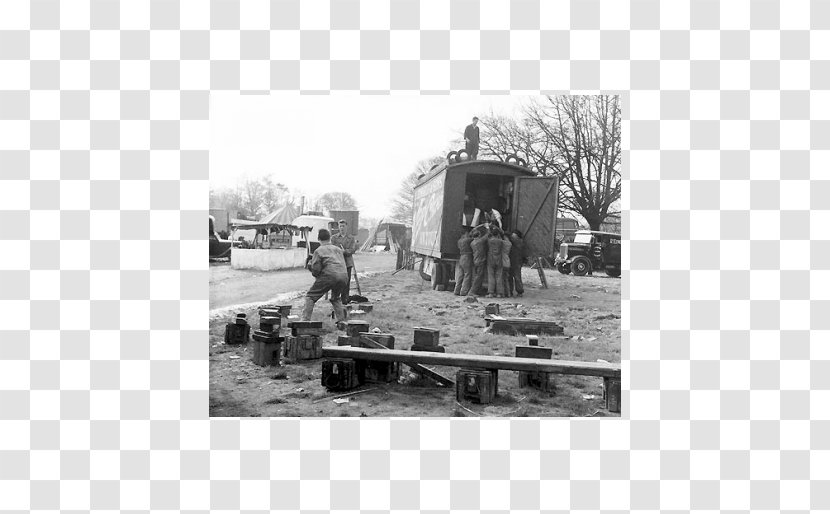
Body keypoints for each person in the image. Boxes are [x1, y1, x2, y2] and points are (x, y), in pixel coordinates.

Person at [302, 228, 348, 324]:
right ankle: (342, 322)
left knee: (310, 297)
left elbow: (316, 270)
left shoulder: (319, 250)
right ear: (329, 238)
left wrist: (310, 266)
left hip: (329, 276)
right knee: (336, 298)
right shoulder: (338, 249)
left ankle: (304, 322)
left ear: (319, 239)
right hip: (344, 276)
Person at [331, 219, 357, 304]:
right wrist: (338, 251)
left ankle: (345, 299)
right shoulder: (334, 238)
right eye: (340, 226)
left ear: (346, 227)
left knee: (346, 282)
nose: (342, 228)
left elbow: (353, 249)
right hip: (337, 263)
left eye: (343, 226)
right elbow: (331, 249)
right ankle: (335, 299)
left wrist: (344, 251)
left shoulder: (351, 238)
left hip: (347, 263)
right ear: (338, 227)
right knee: (336, 281)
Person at [468, 225, 489, 297]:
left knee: (478, 276)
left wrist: (475, 228)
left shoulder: (472, 243)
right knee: (478, 277)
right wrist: (487, 227)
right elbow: (487, 235)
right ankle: (472, 291)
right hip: (480, 261)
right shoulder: (480, 241)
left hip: (476, 260)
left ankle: (477, 290)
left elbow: (470, 234)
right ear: (479, 235)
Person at [453, 227, 474, 295]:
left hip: (461, 257)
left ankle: (456, 290)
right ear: (466, 233)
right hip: (467, 257)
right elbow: (474, 238)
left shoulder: (459, 241)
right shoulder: (468, 240)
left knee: (460, 275)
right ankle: (463, 291)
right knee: (467, 274)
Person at [486, 225, 505, 298]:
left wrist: (488, 230)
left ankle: (490, 293)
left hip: (490, 259)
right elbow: (502, 236)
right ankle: (499, 293)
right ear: (498, 234)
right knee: (499, 276)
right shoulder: (500, 241)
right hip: (499, 259)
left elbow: (487, 236)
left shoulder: (489, 240)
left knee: (491, 276)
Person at [508, 229, 525, 297]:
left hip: (515, 261)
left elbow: (513, 239)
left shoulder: (518, 241)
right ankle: (514, 291)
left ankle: (518, 291)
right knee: (514, 277)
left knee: (516, 277)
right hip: (515, 261)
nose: (513, 236)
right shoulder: (519, 241)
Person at [500, 232, 512, 297]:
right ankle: (509, 293)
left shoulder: (503, 243)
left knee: (501, 279)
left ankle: (503, 294)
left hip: (503, 263)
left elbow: (498, 240)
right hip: (508, 263)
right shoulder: (510, 243)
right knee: (506, 279)